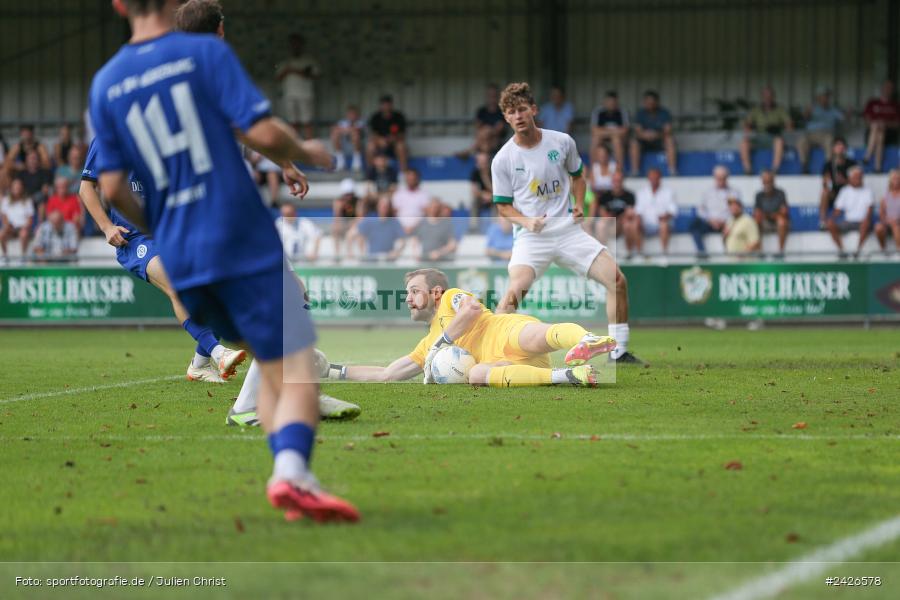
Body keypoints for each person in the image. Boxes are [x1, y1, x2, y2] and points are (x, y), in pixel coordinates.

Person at [90, 0, 356, 522]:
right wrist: (307, 150)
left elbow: (113, 185)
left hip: (180, 248)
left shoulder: (105, 85)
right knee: (295, 357)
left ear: (119, 6)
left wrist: (162, 224)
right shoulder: (204, 54)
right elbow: (257, 128)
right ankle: (290, 471)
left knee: (268, 351)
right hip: (236, 229)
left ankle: (216, 366)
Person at [174, 0, 362, 428]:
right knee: (283, 304)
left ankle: (293, 393)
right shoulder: (214, 68)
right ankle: (256, 407)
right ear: (220, 30)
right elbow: (252, 125)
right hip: (228, 211)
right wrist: (301, 151)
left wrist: (284, 164)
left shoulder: (167, 78)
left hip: (200, 214)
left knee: (287, 302)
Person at [490, 82, 643, 364]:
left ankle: (618, 352)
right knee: (513, 294)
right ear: (506, 118)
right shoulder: (503, 159)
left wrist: (577, 204)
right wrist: (526, 221)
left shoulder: (561, 141)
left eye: (522, 109)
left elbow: (579, 176)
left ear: (533, 110)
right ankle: (491, 352)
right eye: (511, 111)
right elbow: (502, 206)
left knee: (618, 281)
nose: (518, 115)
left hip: (569, 233)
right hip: (531, 237)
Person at [81, 140, 244, 384]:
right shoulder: (109, 134)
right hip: (134, 238)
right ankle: (219, 353)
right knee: (177, 286)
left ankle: (199, 365)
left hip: (172, 233)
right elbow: (86, 188)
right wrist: (106, 226)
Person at [319, 268, 613, 387]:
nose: (407, 298)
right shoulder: (428, 343)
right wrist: (331, 370)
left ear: (434, 292)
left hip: (504, 331)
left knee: (540, 335)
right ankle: (568, 375)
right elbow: (387, 374)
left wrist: (444, 340)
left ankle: (589, 339)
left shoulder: (450, 297)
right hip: (503, 363)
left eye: (414, 290)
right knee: (476, 375)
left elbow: (472, 310)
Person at [689, 165, 740, 257]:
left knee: (736, 224)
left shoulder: (734, 192)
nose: (721, 181)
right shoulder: (707, 192)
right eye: (718, 178)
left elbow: (735, 210)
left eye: (723, 178)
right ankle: (702, 253)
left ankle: (732, 254)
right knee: (694, 224)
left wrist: (723, 221)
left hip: (726, 223)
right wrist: (710, 220)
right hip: (710, 222)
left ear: (727, 178)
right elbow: (701, 210)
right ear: (715, 178)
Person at [740, 86, 793, 174]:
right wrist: (749, 127)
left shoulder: (780, 109)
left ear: (773, 97)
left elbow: (789, 125)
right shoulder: (755, 110)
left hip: (773, 137)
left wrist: (780, 128)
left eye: (769, 96)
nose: (767, 98)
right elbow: (747, 125)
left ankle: (775, 169)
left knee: (779, 141)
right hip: (758, 137)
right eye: (765, 96)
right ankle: (747, 169)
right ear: (762, 97)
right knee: (744, 143)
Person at [275, 33, 319, 139]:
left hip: (305, 94)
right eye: (293, 44)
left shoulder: (309, 60)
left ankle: (310, 146)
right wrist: (287, 70)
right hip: (290, 94)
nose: (295, 46)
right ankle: (296, 146)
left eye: (297, 43)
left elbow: (315, 75)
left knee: (307, 121)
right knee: (293, 122)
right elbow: (278, 78)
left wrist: (294, 70)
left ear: (302, 45)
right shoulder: (285, 61)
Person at [826, 166, 874, 257]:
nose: (859, 179)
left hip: (862, 222)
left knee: (866, 222)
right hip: (848, 221)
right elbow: (838, 210)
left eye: (860, 177)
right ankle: (842, 250)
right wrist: (831, 219)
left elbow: (869, 210)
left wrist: (867, 219)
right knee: (830, 224)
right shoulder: (844, 191)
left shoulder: (868, 191)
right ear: (850, 178)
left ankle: (858, 250)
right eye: (856, 177)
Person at [629, 168, 677, 258]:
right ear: (648, 179)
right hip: (646, 224)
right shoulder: (641, 193)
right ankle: (639, 254)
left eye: (656, 178)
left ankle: (664, 254)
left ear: (660, 178)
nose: (654, 180)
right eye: (652, 178)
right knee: (635, 224)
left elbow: (673, 210)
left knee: (664, 225)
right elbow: (638, 211)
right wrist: (638, 219)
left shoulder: (669, 192)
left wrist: (665, 216)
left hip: (662, 223)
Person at [796, 86, 844, 173]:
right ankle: (804, 166)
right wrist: (807, 113)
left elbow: (843, 119)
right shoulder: (812, 108)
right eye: (823, 96)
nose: (825, 98)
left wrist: (848, 113)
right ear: (818, 98)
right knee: (801, 141)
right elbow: (803, 118)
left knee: (830, 140)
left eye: (827, 96)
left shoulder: (833, 110)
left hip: (826, 134)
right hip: (811, 134)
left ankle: (828, 166)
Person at [629, 90, 677, 176]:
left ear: (657, 102)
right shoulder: (640, 113)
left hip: (659, 141)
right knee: (634, 142)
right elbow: (637, 131)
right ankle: (635, 171)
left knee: (670, 140)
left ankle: (672, 170)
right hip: (644, 142)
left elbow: (668, 130)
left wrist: (656, 135)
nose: (650, 105)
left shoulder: (664, 113)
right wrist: (645, 135)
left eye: (652, 102)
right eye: (647, 102)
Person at [863, 80, 900, 173]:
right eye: (886, 87)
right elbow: (866, 119)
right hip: (872, 132)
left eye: (890, 88)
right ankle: (877, 167)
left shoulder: (895, 105)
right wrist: (877, 123)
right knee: (877, 130)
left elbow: (897, 124)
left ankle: (867, 156)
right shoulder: (873, 102)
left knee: (880, 132)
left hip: (889, 134)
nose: (888, 90)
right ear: (882, 89)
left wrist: (885, 124)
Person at [819, 137, 856, 227]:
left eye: (842, 146)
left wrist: (845, 181)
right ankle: (823, 221)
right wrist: (827, 182)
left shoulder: (852, 164)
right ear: (833, 149)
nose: (840, 149)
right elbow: (825, 183)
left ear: (845, 149)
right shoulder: (828, 164)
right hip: (835, 194)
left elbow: (857, 183)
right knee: (825, 193)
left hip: (849, 195)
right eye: (837, 146)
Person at [591, 170, 635, 245]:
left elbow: (629, 213)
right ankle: (602, 250)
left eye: (619, 180)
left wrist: (619, 218)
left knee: (627, 223)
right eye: (615, 181)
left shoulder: (629, 196)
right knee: (600, 224)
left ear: (622, 181)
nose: (617, 183)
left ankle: (629, 251)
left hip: (622, 224)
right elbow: (602, 212)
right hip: (610, 224)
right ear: (612, 181)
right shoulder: (605, 196)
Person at [366, 94, 408, 172]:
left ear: (391, 105)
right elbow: (373, 134)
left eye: (388, 104)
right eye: (384, 104)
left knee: (401, 146)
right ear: (381, 105)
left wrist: (392, 139)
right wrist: (380, 140)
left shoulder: (398, 116)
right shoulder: (375, 117)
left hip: (394, 144)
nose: (386, 106)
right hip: (379, 144)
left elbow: (402, 135)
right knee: (370, 146)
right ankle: (370, 173)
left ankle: (403, 172)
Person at [753, 170, 790, 254]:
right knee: (755, 221)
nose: (767, 183)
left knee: (781, 221)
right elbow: (756, 213)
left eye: (769, 181)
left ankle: (780, 251)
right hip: (765, 222)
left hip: (778, 222)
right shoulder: (758, 195)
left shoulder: (780, 193)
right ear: (762, 182)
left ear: (773, 181)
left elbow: (784, 211)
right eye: (765, 181)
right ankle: (760, 252)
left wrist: (769, 215)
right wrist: (771, 215)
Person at [591, 90, 628, 167]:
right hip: (603, 139)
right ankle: (593, 169)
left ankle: (619, 169)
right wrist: (613, 131)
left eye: (613, 102)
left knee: (616, 140)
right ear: (605, 102)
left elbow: (625, 131)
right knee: (595, 139)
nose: (611, 104)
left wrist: (605, 131)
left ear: (617, 102)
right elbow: (594, 130)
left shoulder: (622, 111)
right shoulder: (598, 111)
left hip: (620, 140)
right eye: (609, 102)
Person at [0, 179, 34, 261]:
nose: (17, 189)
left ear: (22, 189)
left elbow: (30, 219)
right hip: (11, 227)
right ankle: (5, 255)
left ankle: (23, 256)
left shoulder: (28, 201)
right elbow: (4, 216)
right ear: (11, 189)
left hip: (23, 227)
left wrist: (25, 227)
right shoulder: (6, 200)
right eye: (15, 188)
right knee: (1, 234)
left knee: (23, 234)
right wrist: (7, 225)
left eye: (18, 187)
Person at [392, 168, 429, 235]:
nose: (411, 180)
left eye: (413, 178)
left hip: (419, 229)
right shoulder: (398, 194)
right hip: (400, 229)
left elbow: (426, 214)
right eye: (409, 178)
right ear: (406, 179)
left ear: (417, 179)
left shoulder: (424, 195)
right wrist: (402, 228)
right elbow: (394, 213)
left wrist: (413, 228)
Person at [331, 177, 361, 258]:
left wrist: (351, 224)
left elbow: (360, 219)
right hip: (345, 225)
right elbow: (336, 219)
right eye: (346, 194)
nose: (349, 197)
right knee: (335, 229)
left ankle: (351, 255)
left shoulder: (358, 202)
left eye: (350, 194)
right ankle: (337, 255)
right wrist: (339, 209)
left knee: (352, 233)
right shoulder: (338, 202)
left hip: (354, 226)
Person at [330, 105, 365, 172]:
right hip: (344, 148)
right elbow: (334, 129)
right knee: (335, 134)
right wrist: (347, 130)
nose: (352, 116)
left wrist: (345, 130)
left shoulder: (361, 122)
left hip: (358, 149)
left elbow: (357, 130)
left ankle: (356, 163)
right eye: (350, 114)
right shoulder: (343, 122)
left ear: (357, 115)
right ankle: (340, 161)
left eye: (353, 114)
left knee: (355, 135)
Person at [473, 84, 506, 154]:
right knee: (485, 141)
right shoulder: (481, 111)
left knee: (488, 138)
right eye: (490, 95)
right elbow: (477, 128)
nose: (492, 98)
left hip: (497, 140)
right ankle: (485, 160)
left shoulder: (502, 111)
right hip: (483, 139)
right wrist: (486, 131)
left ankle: (471, 150)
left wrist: (487, 130)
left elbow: (499, 130)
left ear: (498, 97)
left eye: (494, 95)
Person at [875, 169, 900, 253]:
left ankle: (898, 251)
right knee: (878, 228)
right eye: (894, 178)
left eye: (898, 178)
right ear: (890, 181)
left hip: (898, 222)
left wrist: (896, 220)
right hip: (888, 222)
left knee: (896, 226)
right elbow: (882, 213)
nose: (896, 181)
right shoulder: (885, 196)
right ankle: (883, 250)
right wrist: (886, 220)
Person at [469, 150, 493, 230]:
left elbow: (499, 189)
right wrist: (483, 195)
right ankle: (474, 227)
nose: (482, 164)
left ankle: (496, 226)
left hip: (493, 197)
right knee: (474, 203)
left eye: (484, 161)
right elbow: (474, 190)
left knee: (498, 202)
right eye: (480, 161)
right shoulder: (475, 172)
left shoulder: (494, 171)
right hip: (481, 197)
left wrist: (485, 176)